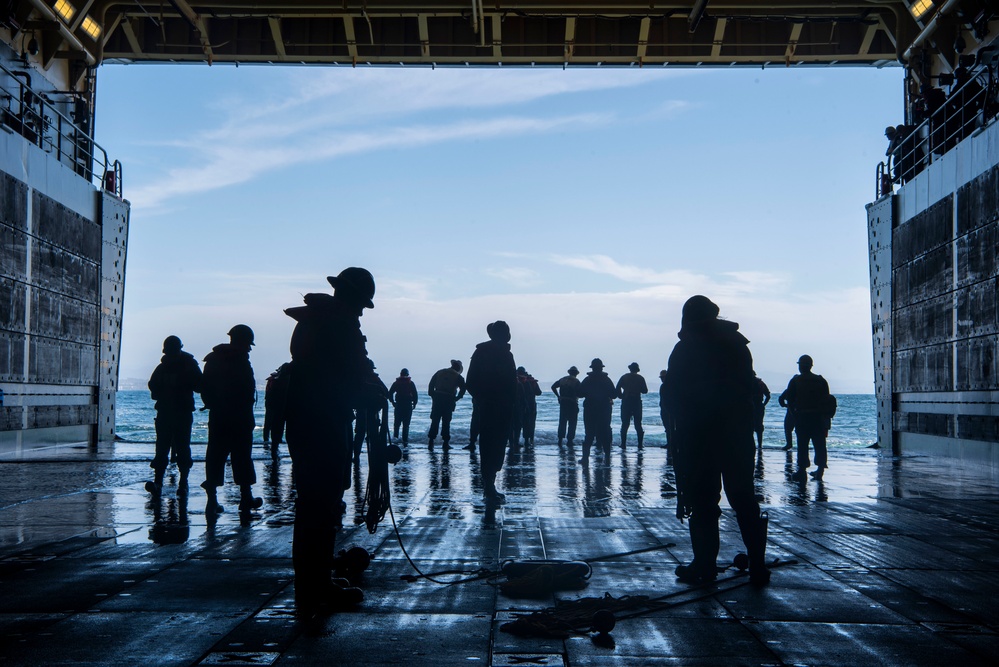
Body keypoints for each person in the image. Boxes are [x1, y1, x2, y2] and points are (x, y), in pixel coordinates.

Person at [284, 267, 384, 614]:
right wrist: (368, 392)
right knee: (320, 506)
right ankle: (316, 586)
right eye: (361, 304)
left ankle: (313, 580)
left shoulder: (317, 321)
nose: (361, 312)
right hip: (323, 424)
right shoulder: (338, 326)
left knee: (315, 504)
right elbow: (342, 376)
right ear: (352, 298)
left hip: (309, 421)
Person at [662, 295, 770, 586]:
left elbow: (671, 394)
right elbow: (748, 389)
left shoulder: (685, 348)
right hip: (735, 434)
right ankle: (758, 565)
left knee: (703, 501)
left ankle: (704, 564)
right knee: (744, 498)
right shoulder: (737, 345)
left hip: (699, 435)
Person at [200, 324, 262, 514]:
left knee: (215, 456)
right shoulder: (241, 361)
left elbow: (205, 387)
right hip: (240, 416)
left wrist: (213, 404)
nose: (250, 348)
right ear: (242, 341)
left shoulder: (213, 360)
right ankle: (245, 498)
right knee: (242, 456)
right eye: (248, 344)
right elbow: (245, 390)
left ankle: (212, 501)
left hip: (218, 415)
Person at [466, 321, 517, 504]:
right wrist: (483, 399)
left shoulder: (506, 353)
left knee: (498, 447)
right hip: (490, 406)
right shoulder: (483, 352)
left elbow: (512, 382)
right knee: (489, 447)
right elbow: (470, 381)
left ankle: (490, 485)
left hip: (503, 406)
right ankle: (488, 487)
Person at [146, 335, 202, 495]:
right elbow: (153, 386)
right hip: (167, 412)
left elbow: (199, 385)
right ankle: (159, 482)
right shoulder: (164, 367)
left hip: (180, 412)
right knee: (162, 448)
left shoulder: (188, 365)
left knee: (182, 448)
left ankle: (183, 483)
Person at [779, 355, 833, 481]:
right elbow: (827, 400)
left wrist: (794, 415)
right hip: (818, 418)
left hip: (802, 417)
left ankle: (802, 470)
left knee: (802, 444)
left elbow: (790, 400)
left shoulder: (796, 381)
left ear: (800, 366)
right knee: (819, 444)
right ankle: (820, 470)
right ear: (810, 366)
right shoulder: (820, 380)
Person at [578, 358, 616, 463]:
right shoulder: (607, 380)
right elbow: (614, 394)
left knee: (589, 434)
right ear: (601, 368)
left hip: (590, 409)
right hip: (604, 409)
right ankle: (607, 457)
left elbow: (579, 394)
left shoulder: (587, 380)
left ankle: (585, 458)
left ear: (592, 368)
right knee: (605, 433)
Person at [427, 360, 466, 450]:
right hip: (449, 399)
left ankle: (431, 441)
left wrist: (433, 395)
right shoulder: (458, 376)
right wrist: (457, 398)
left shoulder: (440, 372)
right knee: (446, 421)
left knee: (435, 420)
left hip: (437, 398)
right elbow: (463, 388)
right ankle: (445, 443)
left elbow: (431, 385)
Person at [616, 362, 649, 448]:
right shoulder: (640, 378)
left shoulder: (624, 377)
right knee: (638, 424)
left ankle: (623, 444)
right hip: (636, 402)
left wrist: (621, 396)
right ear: (637, 370)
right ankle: (640, 444)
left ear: (630, 369)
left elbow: (617, 387)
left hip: (626, 401)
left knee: (625, 424)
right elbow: (645, 390)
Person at [263, 362, 291, 453]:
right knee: (278, 426)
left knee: (270, 424)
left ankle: (269, 442)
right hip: (280, 407)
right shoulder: (287, 380)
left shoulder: (274, 380)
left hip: (271, 404)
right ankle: (275, 443)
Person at [551, 366, 582, 446]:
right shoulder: (576, 381)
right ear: (576, 373)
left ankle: (560, 440)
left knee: (562, 421)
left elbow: (553, 387)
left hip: (563, 403)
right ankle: (570, 440)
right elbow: (580, 393)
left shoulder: (562, 379)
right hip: (572, 403)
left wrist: (558, 396)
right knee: (572, 422)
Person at [388, 368, 419, 445]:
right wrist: (414, 403)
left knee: (397, 424)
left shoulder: (396, 383)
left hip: (398, 405)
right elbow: (415, 394)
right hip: (408, 405)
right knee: (406, 425)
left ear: (400, 374)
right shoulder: (410, 383)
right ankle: (405, 440)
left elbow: (390, 393)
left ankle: (395, 440)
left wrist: (393, 402)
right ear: (407, 374)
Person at [516, 366, 542, 446]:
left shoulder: (516, 380)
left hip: (518, 405)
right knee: (530, 424)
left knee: (517, 424)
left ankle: (515, 441)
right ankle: (529, 441)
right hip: (531, 405)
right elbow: (539, 392)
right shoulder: (532, 381)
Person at [753, 375, 771, 448]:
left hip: (750, 407)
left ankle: (754, 445)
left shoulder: (747, 382)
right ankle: (759, 445)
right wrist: (763, 405)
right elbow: (768, 396)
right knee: (759, 427)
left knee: (749, 426)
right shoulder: (760, 383)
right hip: (759, 406)